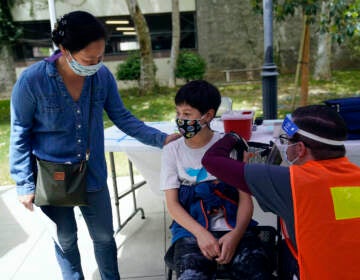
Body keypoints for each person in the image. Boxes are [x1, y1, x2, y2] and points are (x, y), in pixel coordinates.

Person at [9, 11, 179, 280]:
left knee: (103, 236)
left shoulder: (101, 77)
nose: (96, 64)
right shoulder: (32, 82)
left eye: (101, 57)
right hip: (54, 176)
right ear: (64, 50)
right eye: (89, 58)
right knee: (65, 239)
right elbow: (20, 133)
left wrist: (161, 139)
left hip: (92, 173)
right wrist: (24, 184)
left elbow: (122, 116)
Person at [202, 104, 360, 280]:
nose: (283, 145)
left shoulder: (292, 182)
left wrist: (233, 135)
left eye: (286, 140)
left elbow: (212, 160)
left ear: (300, 149)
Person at [160, 80, 274, 279]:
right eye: (178, 113)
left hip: (235, 227)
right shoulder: (172, 151)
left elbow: (245, 200)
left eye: (187, 114)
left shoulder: (230, 146)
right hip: (191, 231)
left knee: (257, 272)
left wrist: (236, 235)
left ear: (208, 115)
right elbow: (172, 204)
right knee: (191, 275)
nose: (180, 120)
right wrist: (201, 234)